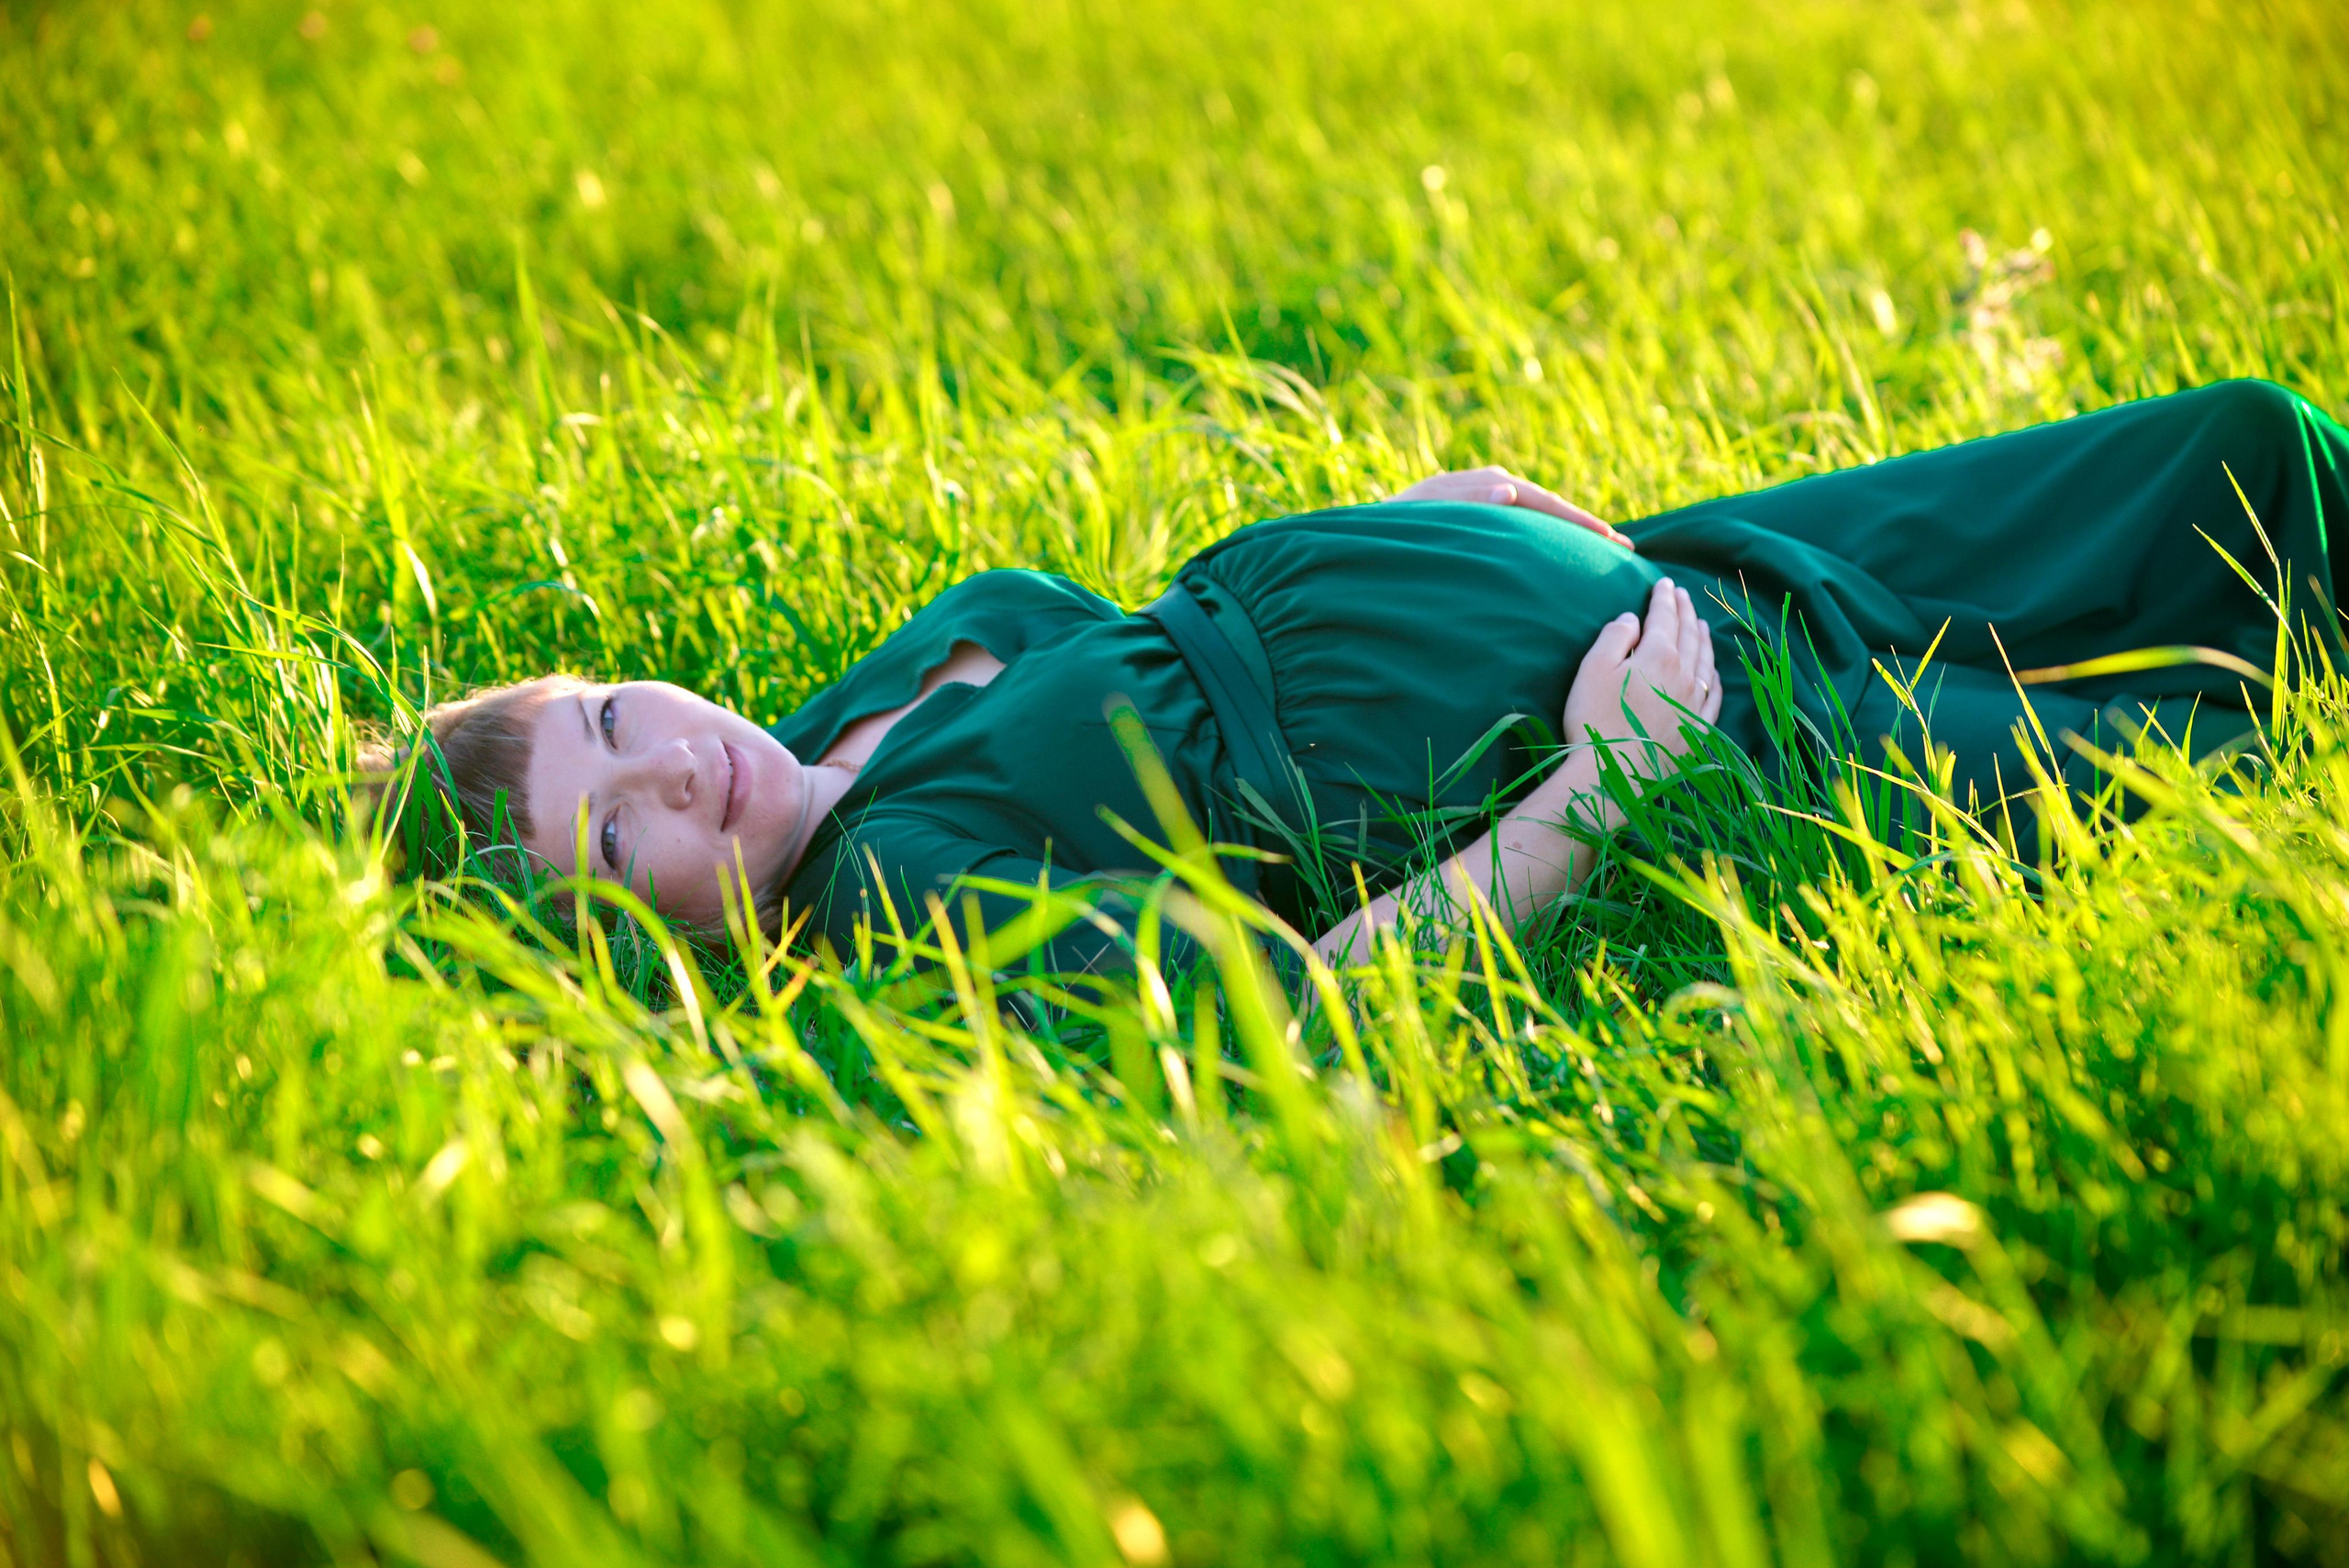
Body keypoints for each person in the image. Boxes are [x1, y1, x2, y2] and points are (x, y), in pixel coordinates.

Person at [372, 379, 2349, 975]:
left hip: (1665, 555)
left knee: (2245, 454)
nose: (672, 776)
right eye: (618, 844)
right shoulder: (896, 895)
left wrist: (1408, 517)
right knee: (2214, 759)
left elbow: (1153, 644)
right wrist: (1602, 793)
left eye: (619, 729)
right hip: (1675, 721)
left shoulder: (847, 714)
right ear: (654, 944)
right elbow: (1299, 1010)